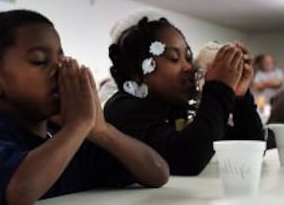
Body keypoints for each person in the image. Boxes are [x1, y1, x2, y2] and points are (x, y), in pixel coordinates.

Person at [0, 10, 169, 205]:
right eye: (39, 61)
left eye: (62, 58)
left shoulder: (65, 136)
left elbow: (157, 173)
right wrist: (78, 125)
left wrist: (102, 131)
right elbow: (19, 193)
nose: (59, 70)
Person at [103, 16, 265, 176]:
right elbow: (188, 159)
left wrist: (240, 97)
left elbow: (250, 147)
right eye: (174, 58)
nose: (189, 67)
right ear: (137, 72)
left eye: (188, 58)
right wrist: (219, 88)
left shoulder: (176, 109)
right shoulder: (123, 110)